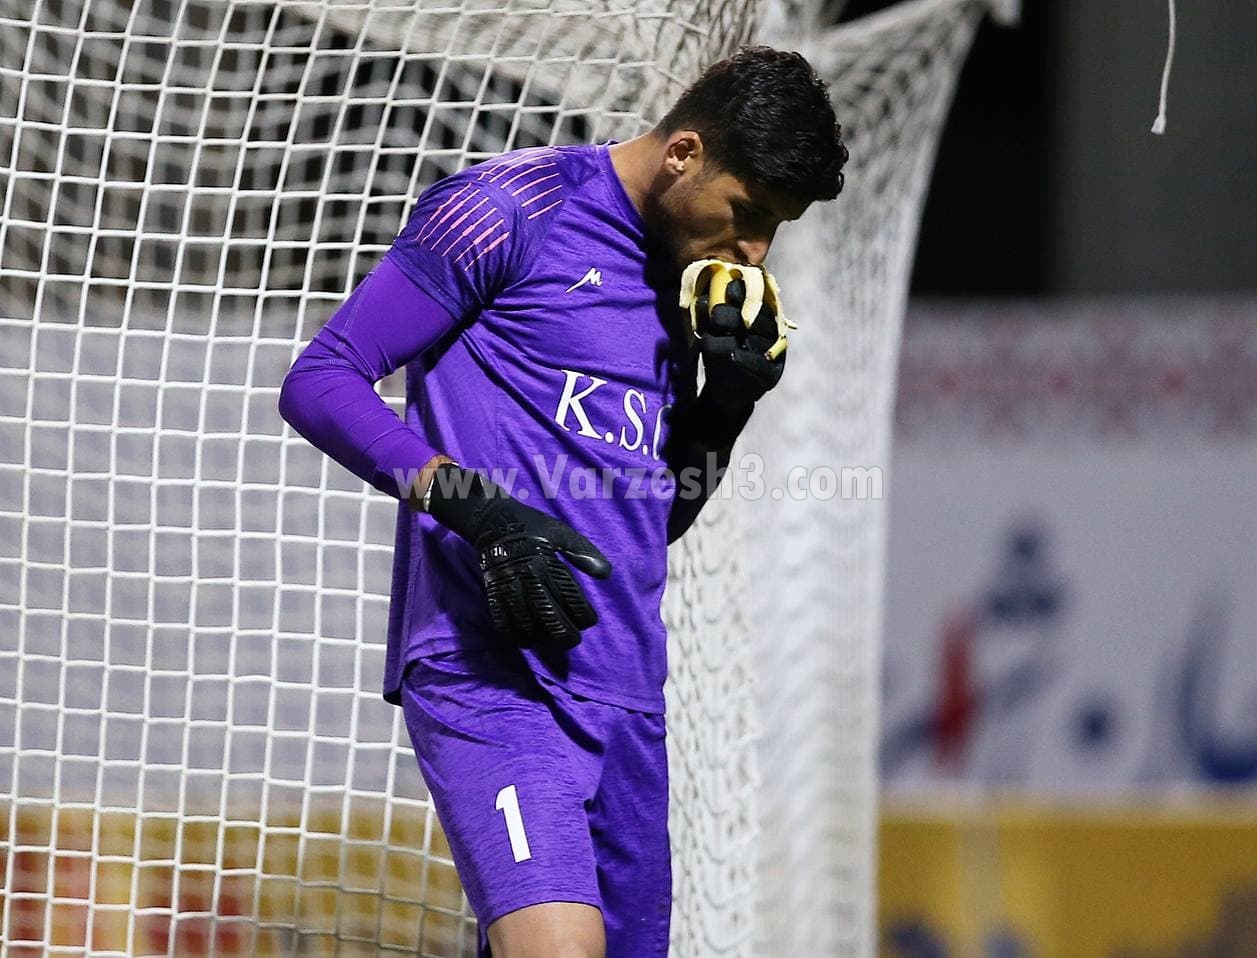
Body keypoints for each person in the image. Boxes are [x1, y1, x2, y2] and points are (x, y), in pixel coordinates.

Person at [278, 44, 846, 958]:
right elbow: (321, 381)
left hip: (625, 701)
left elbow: (650, 524)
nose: (754, 251)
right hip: (492, 672)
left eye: (774, 228)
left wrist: (722, 416)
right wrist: (478, 510)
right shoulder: (510, 209)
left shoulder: (689, 290)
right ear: (684, 153)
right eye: (747, 214)